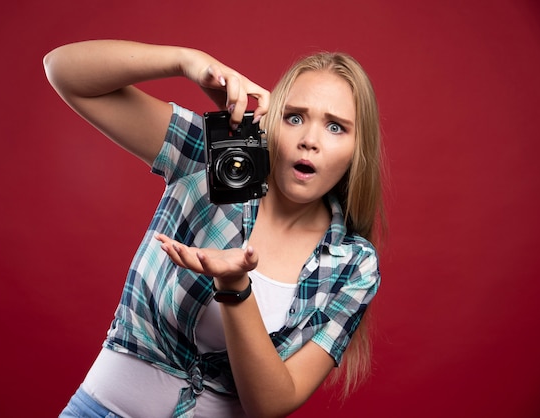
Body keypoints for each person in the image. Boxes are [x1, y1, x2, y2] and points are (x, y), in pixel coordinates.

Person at [44, 39, 385, 418]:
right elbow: (64, 71)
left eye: (336, 127)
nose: (309, 140)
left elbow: (271, 404)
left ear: (358, 149)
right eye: (294, 117)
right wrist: (186, 61)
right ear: (270, 122)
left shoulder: (353, 263)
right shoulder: (214, 159)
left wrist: (235, 287)